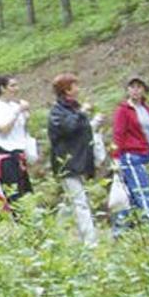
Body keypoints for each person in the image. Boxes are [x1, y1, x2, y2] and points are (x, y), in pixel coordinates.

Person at [112, 76, 149, 230]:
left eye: (139, 87)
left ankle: (122, 228)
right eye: (132, 87)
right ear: (127, 90)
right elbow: (118, 134)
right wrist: (116, 158)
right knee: (142, 192)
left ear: (144, 90)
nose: (135, 90)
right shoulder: (124, 110)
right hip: (132, 156)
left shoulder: (145, 109)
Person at [47, 73, 98, 246]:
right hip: (67, 164)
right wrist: (82, 113)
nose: (78, 88)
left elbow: (82, 132)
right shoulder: (57, 111)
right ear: (66, 90)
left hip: (80, 161)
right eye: (75, 85)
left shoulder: (74, 109)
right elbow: (68, 127)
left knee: (71, 203)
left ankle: (54, 236)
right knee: (80, 203)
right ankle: (91, 243)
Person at [0, 75, 34, 215]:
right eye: (12, 86)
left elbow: (22, 132)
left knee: (25, 193)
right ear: (2, 88)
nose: (16, 89)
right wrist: (17, 112)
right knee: (9, 195)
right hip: (3, 156)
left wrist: (24, 114)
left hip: (18, 155)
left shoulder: (15, 106)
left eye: (16, 85)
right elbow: (4, 130)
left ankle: (28, 227)